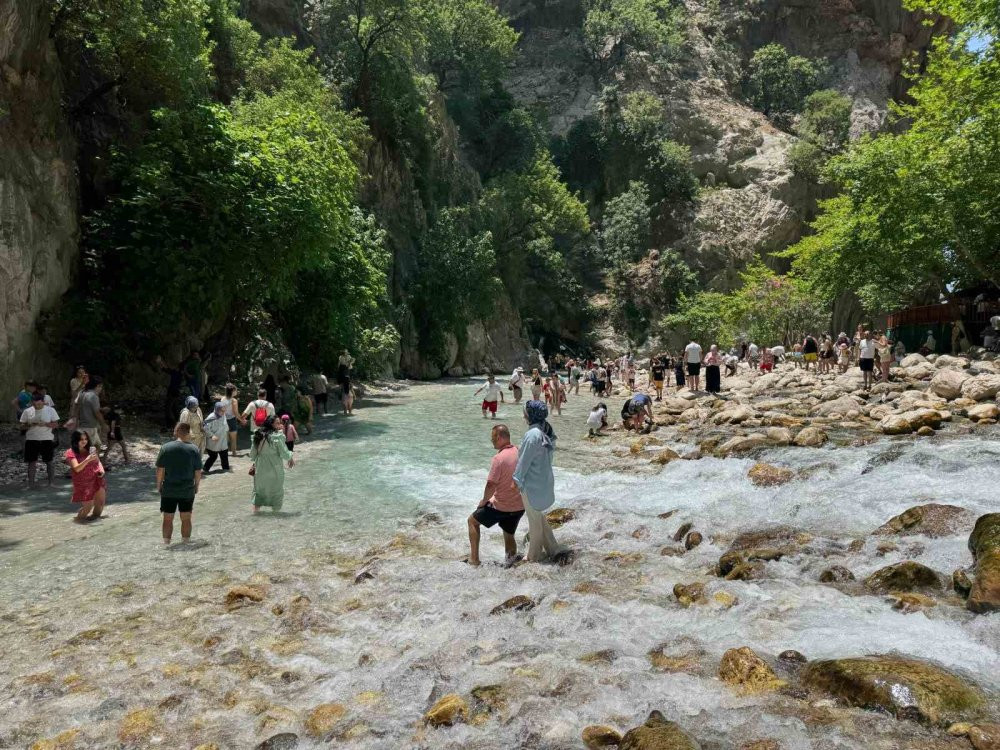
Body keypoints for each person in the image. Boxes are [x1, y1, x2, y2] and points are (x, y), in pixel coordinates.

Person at [513, 401, 568, 563]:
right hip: (543, 480)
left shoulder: (532, 435)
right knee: (538, 516)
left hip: (532, 484)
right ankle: (552, 547)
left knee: (534, 521)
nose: (523, 414)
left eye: (525, 412)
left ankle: (534, 555)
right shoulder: (545, 430)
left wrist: (516, 480)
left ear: (530, 415)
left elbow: (524, 461)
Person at [467, 424, 524, 567]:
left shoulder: (498, 459)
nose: (491, 440)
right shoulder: (519, 451)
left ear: (498, 437)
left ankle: (474, 560)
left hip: (502, 507)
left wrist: (484, 501)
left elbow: (491, 485)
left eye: (492, 437)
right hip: (519, 506)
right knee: (508, 533)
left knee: (472, 521)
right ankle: (510, 563)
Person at [155, 422, 202, 544]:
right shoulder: (194, 449)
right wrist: (196, 486)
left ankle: (166, 544)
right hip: (187, 489)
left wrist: (159, 486)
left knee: (167, 518)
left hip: (169, 489)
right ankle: (186, 542)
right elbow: (198, 471)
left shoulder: (166, 448)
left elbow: (160, 470)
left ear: (176, 431)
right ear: (188, 433)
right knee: (186, 518)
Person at [249, 415, 294, 513]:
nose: (280, 425)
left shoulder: (258, 435)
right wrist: (291, 457)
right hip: (275, 469)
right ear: (271, 424)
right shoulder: (277, 436)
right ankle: (275, 517)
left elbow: (252, 455)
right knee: (277, 492)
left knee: (259, 492)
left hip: (260, 469)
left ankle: (256, 516)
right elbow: (284, 454)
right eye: (277, 423)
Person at [66, 430, 106, 522]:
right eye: (81, 439)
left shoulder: (91, 449)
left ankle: (94, 527)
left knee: (100, 504)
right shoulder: (70, 452)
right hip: (83, 482)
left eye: (86, 439)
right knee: (87, 508)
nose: (84, 441)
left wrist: (102, 470)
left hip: (97, 478)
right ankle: (77, 523)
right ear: (75, 440)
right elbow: (77, 468)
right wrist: (87, 459)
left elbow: (98, 462)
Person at [21, 392, 59, 488]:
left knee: (49, 461)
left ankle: (51, 483)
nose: (37, 406)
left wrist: (46, 424)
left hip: (47, 439)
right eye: (35, 404)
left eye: (39, 404)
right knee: (31, 462)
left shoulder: (50, 410)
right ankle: (31, 484)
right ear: (32, 402)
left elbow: (56, 425)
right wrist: (30, 424)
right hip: (31, 439)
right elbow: (21, 426)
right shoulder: (27, 411)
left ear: (43, 402)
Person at [77, 378, 107, 452]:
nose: (101, 389)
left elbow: (82, 407)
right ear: (97, 386)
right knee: (92, 449)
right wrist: (104, 424)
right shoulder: (94, 396)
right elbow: (97, 413)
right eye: (101, 387)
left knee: (97, 446)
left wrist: (101, 409)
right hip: (91, 427)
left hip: (82, 425)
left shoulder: (82, 394)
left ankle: (94, 459)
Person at [155, 356, 182, 430]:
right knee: (174, 408)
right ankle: (178, 422)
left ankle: (171, 423)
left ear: (177, 367)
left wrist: (160, 362)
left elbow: (166, 368)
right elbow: (167, 368)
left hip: (172, 391)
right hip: (176, 392)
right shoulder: (179, 373)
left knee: (168, 408)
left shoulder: (175, 373)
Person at [202, 402, 230, 473]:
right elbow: (205, 428)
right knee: (213, 456)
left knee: (224, 455)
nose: (224, 412)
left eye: (224, 411)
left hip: (222, 440)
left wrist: (227, 433)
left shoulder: (223, 415)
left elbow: (225, 425)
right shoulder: (211, 417)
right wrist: (211, 436)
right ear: (217, 409)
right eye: (222, 411)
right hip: (213, 442)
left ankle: (226, 470)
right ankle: (205, 469)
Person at [221, 384, 240, 457]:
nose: (236, 392)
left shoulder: (222, 399)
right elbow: (235, 413)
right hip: (232, 420)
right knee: (233, 438)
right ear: (232, 391)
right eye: (236, 390)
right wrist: (241, 420)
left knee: (225, 438)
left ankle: (224, 453)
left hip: (224, 419)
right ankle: (234, 453)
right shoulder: (234, 400)